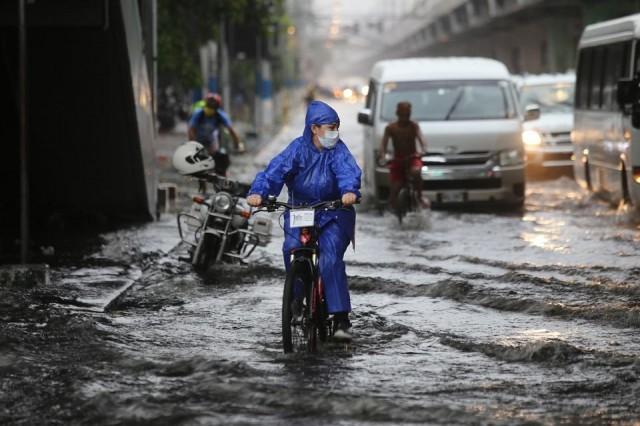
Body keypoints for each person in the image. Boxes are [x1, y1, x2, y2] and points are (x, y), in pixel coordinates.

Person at [246, 100, 361, 341]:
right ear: (314, 128)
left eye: (336, 127)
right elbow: (273, 172)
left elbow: (347, 172)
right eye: (330, 127)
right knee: (292, 248)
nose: (334, 132)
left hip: (333, 212)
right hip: (300, 210)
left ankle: (341, 318)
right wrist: (259, 193)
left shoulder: (338, 151)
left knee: (330, 260)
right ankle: (296, 300)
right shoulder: (297, 150)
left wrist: (348, 192)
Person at [378, 101, 429, 210]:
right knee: (395, 189)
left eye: (407, 113)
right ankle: (394, 212)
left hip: (413, 158)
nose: (405, 116)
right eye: (403, 113)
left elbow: (422, 139)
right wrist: (383, 155)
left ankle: (419, 196)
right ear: (397, 113)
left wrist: (423, 149)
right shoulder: (391, 128)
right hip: (398, 160)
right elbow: (383, 145)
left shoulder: (414, 126)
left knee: (416, 171)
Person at [188, 92, 244, 177]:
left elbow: (231, 130)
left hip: (212, 140)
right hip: (198, 140)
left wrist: (237, 144)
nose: (210, 108)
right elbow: (191, 129)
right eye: (208, 106)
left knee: (221, 156)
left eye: (212, 107)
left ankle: (222, 174)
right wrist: (192, 143)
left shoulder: (220, 115)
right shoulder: (198, 114)